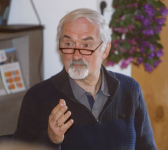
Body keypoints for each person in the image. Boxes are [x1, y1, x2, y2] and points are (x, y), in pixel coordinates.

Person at [14, 8, 157, 150]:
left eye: (86, 45)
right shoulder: (37, 98)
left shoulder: (130, 90)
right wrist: (51, 140)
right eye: (69, 44)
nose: (76, 56)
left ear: (105, 50)